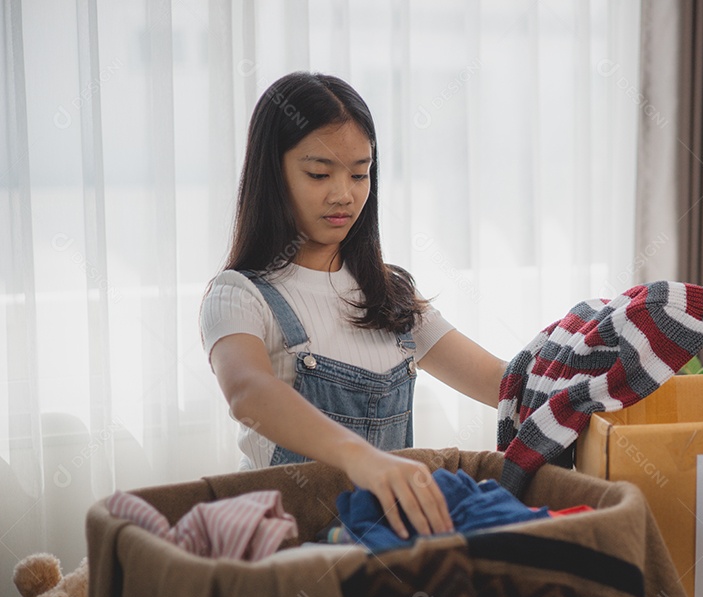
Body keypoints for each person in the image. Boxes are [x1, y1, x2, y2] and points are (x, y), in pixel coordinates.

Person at [199, 72, 506, 540]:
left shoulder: (391, 294)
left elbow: (497, 381)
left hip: (380, 549)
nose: (344, 193)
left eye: (360, 173)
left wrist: (579, 380)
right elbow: (248, 392)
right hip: (282, 551)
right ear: (272, 173)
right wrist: (363, 459)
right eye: (319, 174)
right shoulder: (238, 295)